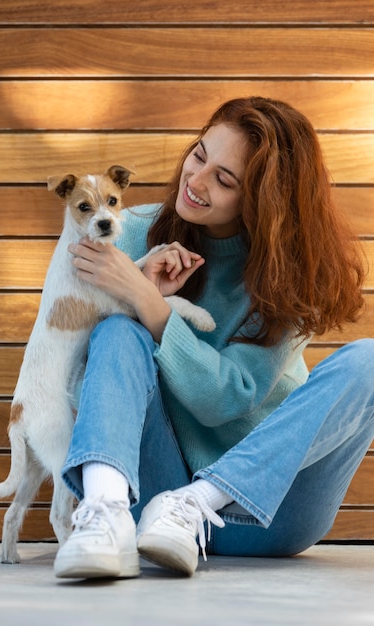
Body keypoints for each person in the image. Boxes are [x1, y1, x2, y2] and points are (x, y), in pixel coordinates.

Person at [53, 96, 374, 579]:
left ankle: (197, 500)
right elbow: (78, 373)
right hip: (152, 501)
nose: (195, 181)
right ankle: (105, 513)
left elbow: (226, 398)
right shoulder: (123, 230)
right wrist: (137, 311)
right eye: (200, 155)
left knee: (369, 359)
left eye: (224, 179)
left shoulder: (286, 274)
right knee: (116, 330)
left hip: (265, 512)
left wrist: (151, 304)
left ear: (262, 202)